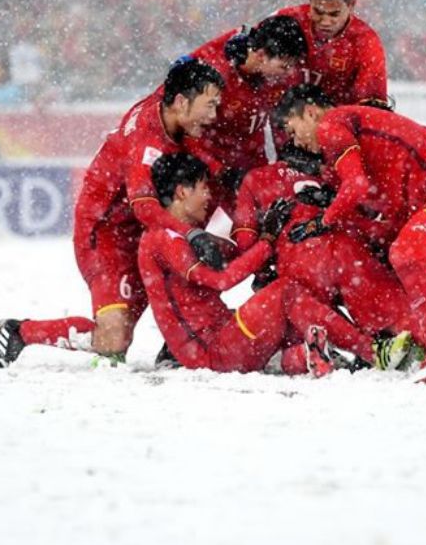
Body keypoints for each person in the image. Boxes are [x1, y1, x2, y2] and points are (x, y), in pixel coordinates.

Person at [0, 59, 225, 369]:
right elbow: (144, 206)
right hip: (104, 236)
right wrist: (191, 233)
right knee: (112, 342)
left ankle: (177, 343)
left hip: (139, 233)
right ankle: (20, 331)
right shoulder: (146, 140)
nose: (213, 116)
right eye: (209, 106)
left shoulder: (169, 105)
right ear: (181, 102)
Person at [275, 84, 426, 381]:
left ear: (310, 112)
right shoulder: (376, 147)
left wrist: (323, 220)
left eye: (293, 131)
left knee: (404, 255)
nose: (297, 142)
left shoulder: (331, 124)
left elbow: (356, 185)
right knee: (410, 269)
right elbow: (377, 205)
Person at [232, 143, 426, 378]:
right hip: (348, 251)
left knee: (299, 329)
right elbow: (373, 218)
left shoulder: (255, 180)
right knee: (390, 316)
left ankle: (332, 352)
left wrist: (267, 251)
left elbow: (245, 247)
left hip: (298, 262)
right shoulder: (333, 171)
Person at [136, 151, 335, 376]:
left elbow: (236, 254)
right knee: (283, 291)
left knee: (284, 317)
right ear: (182, 192)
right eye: (204, 188)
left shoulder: (182, 235)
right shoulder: (164, 239)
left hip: (222, 337)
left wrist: (261, 229)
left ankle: (307, 355)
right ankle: (362, 348)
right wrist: (267, 241)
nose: (209, 196)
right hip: (213, 354)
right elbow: (222, 281)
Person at [180, 14, 308, 201]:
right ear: (261, 55)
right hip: (206, 169)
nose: (289, 73)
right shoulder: (214, 78)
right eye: (284, 66)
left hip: (248, 163)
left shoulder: (276, 76)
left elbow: (281, 123)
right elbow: (184, 131)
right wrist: (222, 172)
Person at [275, 0, 389, 107]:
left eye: (334, 14)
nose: (326, 22)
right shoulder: (286, 20)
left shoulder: (366, 42)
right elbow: (250, 49)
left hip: (337, 124)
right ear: (310, 0)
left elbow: (372, 109)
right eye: (318, 12)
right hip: (280, 119)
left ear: (351, 4)